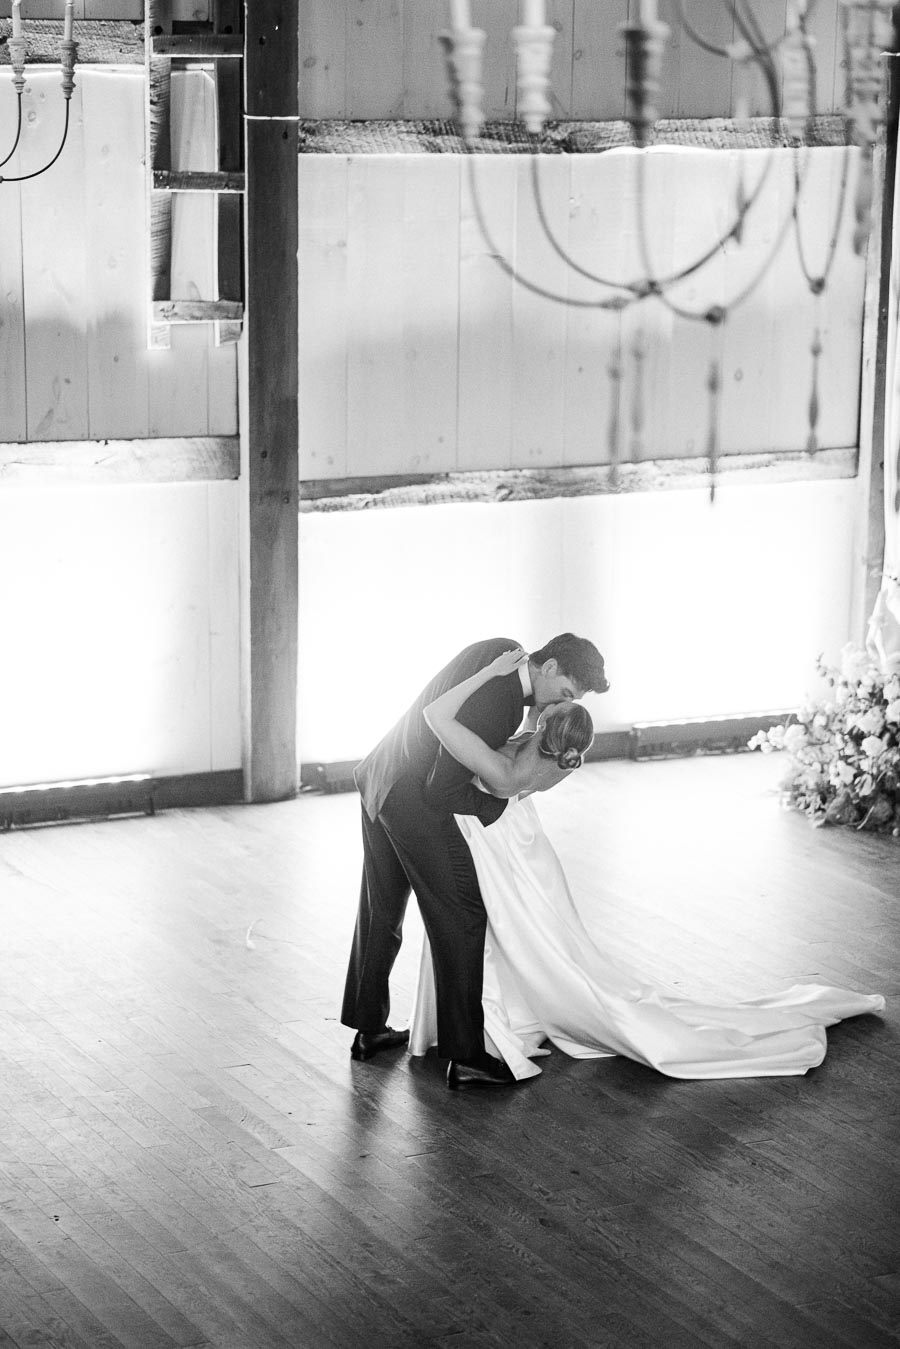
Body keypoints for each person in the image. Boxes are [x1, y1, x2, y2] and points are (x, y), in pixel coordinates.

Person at [409, 649, 885, 1082]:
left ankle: (492, 1024)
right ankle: (499, 1018)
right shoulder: (547, 763)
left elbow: (436, 717)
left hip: (497, 845)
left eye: (558, 701)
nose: (545, 703)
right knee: (541, 941)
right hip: (523, 846)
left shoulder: (506, 768)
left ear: (547, 725)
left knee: (502, 932)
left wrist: (490, 674)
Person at [341, 633, 609, 1090]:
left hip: (381, 774)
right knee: (463, 915)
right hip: (413, 802)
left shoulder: (501, 653)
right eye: (565, 693)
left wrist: (533, 716)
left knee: (382, 906)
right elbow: (443, 790)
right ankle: (466, 1055)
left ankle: (369, 1028)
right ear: (549, 668)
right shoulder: (500, 705)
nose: (563, 705)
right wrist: (502, 807)